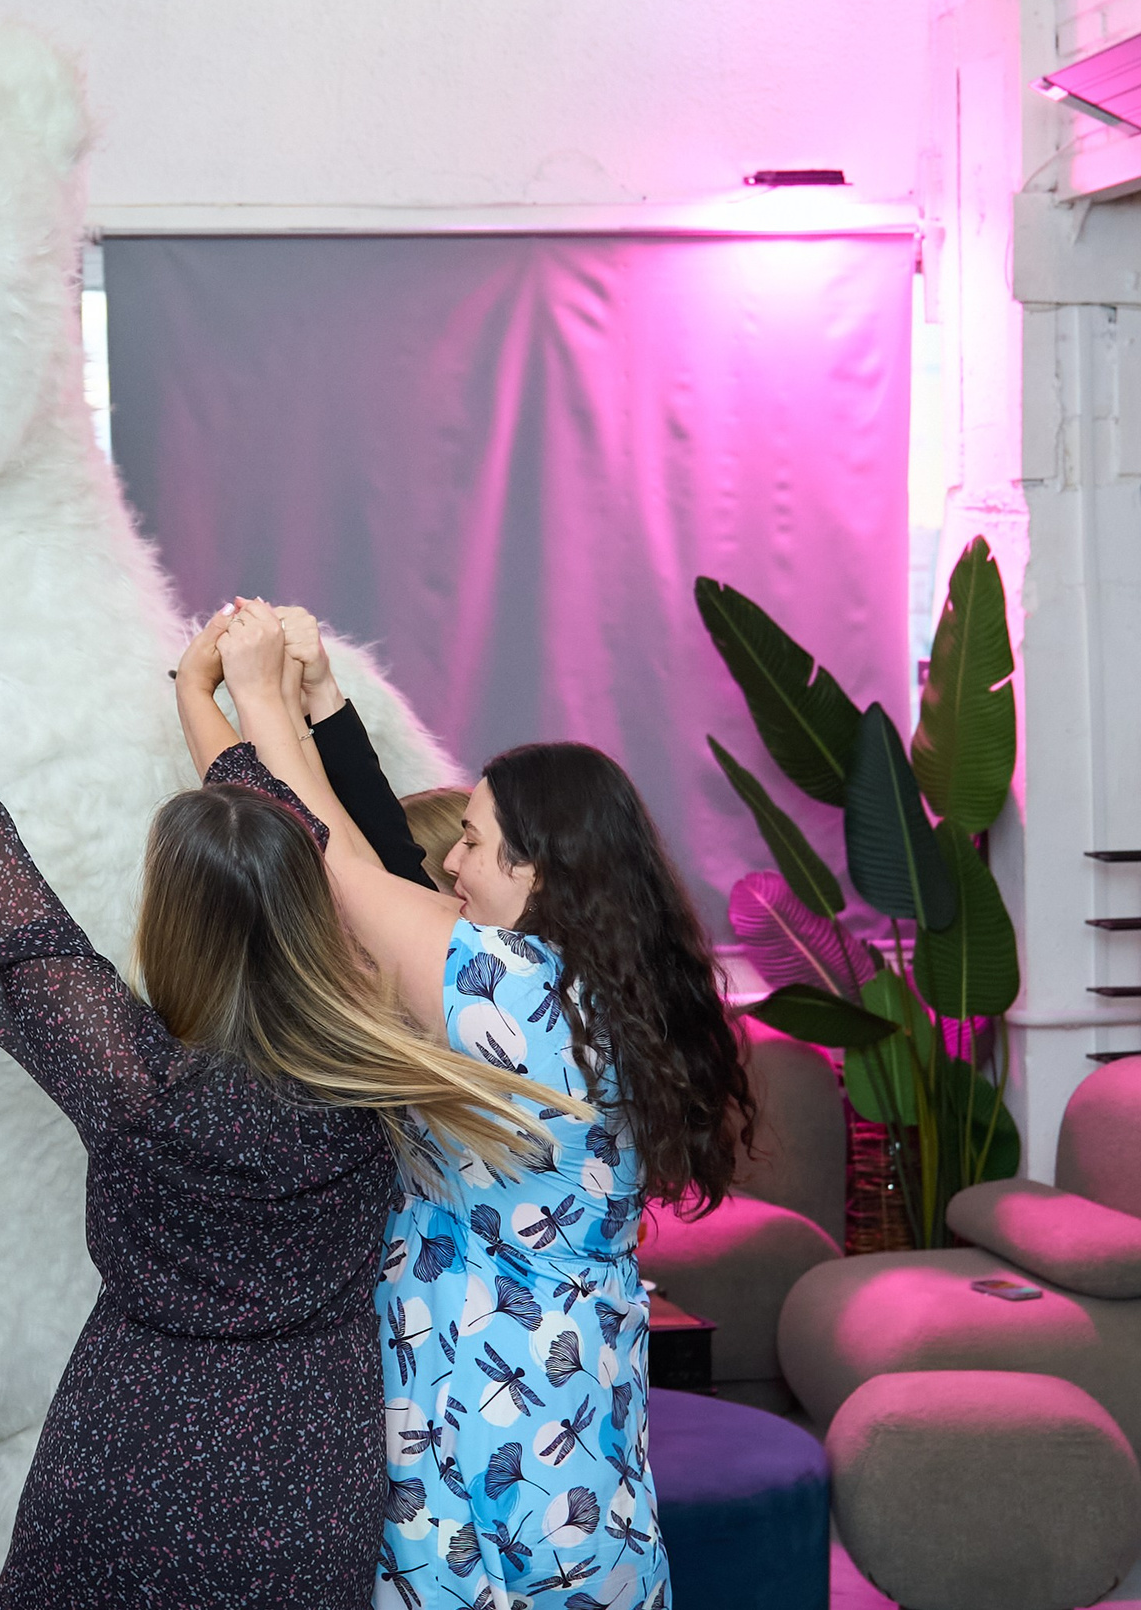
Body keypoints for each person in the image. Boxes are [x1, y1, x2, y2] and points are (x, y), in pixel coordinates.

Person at [0, 628, 575, 1609]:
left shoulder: (125, 1076)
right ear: (323, 917)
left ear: (167, 922)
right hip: (306, 1468)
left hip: (125, 1450)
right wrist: (211, 693)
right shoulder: (388, 1063)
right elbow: (307, 854)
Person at [204, 599, 751, 1610]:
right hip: (569, 1391)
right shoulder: (590, 983)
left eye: (473, 840)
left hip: (484, 1408)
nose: (449, 862)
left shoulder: (507, 986)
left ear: (534, 868)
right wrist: (324, 701)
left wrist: (251, 691)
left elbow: (333, 865)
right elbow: (390, 866)